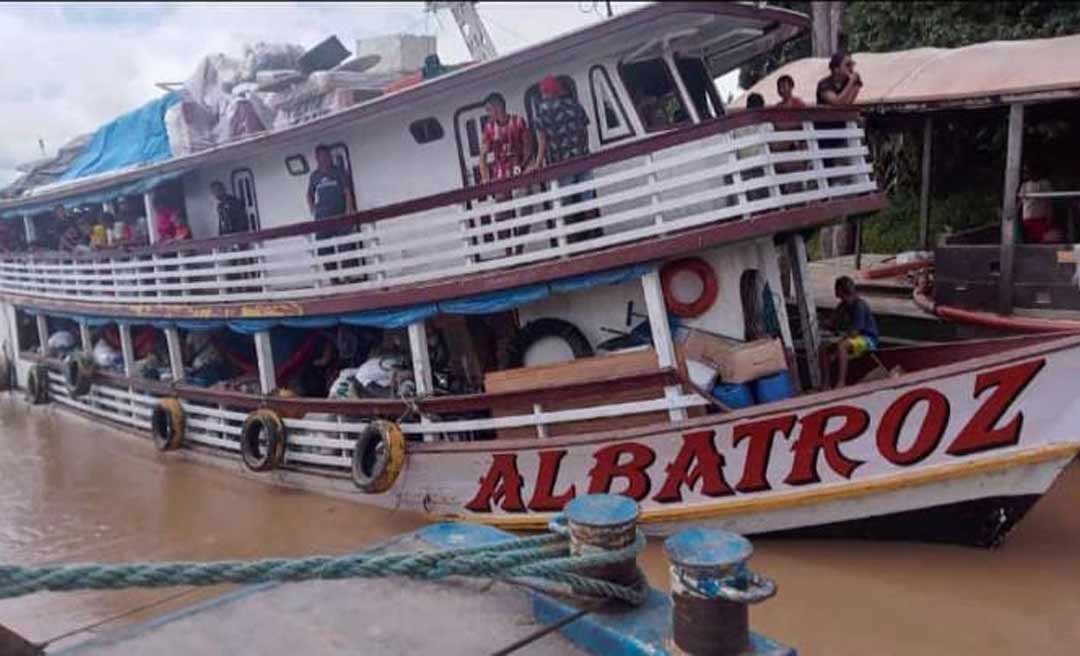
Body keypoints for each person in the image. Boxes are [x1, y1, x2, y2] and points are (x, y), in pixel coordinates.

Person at [530, 75, 599, 244]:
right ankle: (593, 235)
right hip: (582, 158)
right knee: (587, 198)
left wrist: (538, 163)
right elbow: (584, 130)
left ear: (546, 91)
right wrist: (584, 150)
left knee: (565, 203)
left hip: (560, 164)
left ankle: (572, 239)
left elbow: (542, 141)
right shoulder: (574, 105)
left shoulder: (542, 112)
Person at [478, 93, 533, 256]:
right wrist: (486, 178)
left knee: (525, 210)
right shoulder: (489, 129)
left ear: (498, 106)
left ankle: (519, 249)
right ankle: (509, 252)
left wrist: (523, 167)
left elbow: (528, 147)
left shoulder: (518, 121)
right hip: (500, 175)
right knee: (503, 216)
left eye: (489, 109)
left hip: (519, 171)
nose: (488, 114)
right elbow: (483, 155)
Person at [307, 144, 357, 278]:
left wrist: (348, 210)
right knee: (324, 249)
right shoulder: (314, 176)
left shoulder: (338, 172)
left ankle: (347, 276)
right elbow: (309, 194)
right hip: (323, 219)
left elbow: (347, 192)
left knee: (345, 247)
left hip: (340, 215)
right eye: (321, 156)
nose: (325, 159)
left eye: (326, 155)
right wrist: (313, 209)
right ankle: (334, 278)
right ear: (317, 158)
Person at [825, 275, 879, 388]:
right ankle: (825, 384)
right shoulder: (843, 305)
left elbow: (855, 332)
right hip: (854, 338)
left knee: (841, 346)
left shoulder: (860, 305)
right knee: (823, 347)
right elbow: (832, 322)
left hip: (868, 340)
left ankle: (841, 382)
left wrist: (836, 350)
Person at [1019, 165, 1058, 243]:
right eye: (1025, 172)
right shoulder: (1025, 185)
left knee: (1050, 238)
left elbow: (1049, 201)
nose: (1027, 174)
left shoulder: (1045, 183)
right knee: (1034, 239)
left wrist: (1049, 217)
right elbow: (1021, 199)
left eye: (1028, 171)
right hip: (1029, 218)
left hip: (1042, 217)